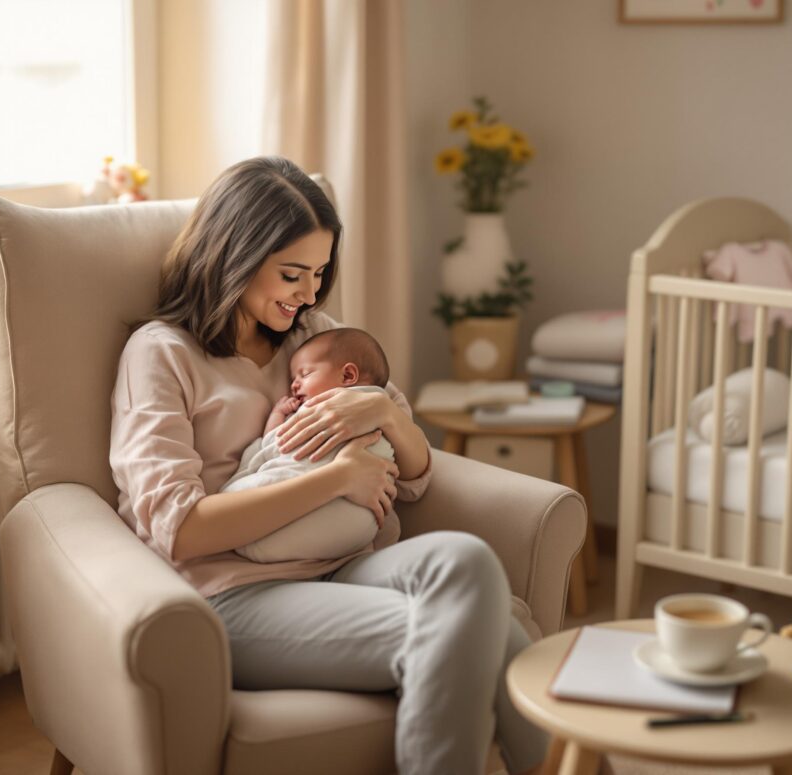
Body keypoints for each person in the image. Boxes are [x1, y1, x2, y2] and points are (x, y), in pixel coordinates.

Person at [109, 156, 547, 775]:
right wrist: (338, 478)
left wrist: (390, 419)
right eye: (292, 273)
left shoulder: (313, 335)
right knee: (463, 626)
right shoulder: (160, 355)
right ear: (235, 255)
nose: (310, 293)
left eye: (318, 273)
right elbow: (180, 529)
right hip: (234, 595)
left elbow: (415, 476)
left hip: (343, 566)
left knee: (468, 562)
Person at [224, 328, 395, 563]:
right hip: (358, 529)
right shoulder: (385, 414)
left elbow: (276, 442)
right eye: (293, 379)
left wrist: (277, 417)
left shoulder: (326, 408)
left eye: (304, 374)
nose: (294, 385)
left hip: (321, 518)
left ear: (347, 377)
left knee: (234, 496)